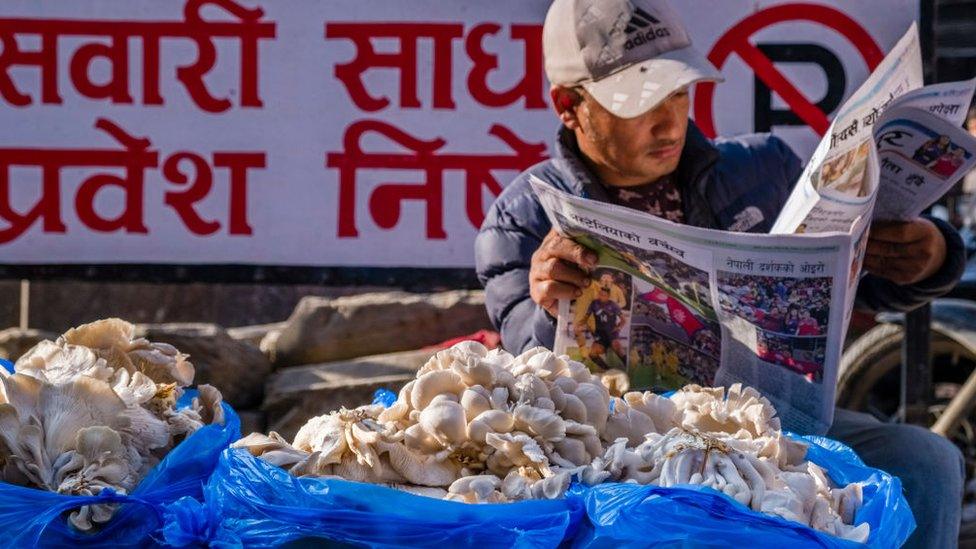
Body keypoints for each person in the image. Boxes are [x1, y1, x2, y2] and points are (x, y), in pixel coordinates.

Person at [474, 1, 967, 546]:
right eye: (640, 104)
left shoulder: (763, 168)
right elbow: (522, 366)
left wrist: (932, 257)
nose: (669, 122)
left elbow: (862, 286)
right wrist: (549, 304)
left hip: (776, 428)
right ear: (569, 106)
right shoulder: (525, 215)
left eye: (679, 94)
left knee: (928, 459)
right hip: (619, 450)